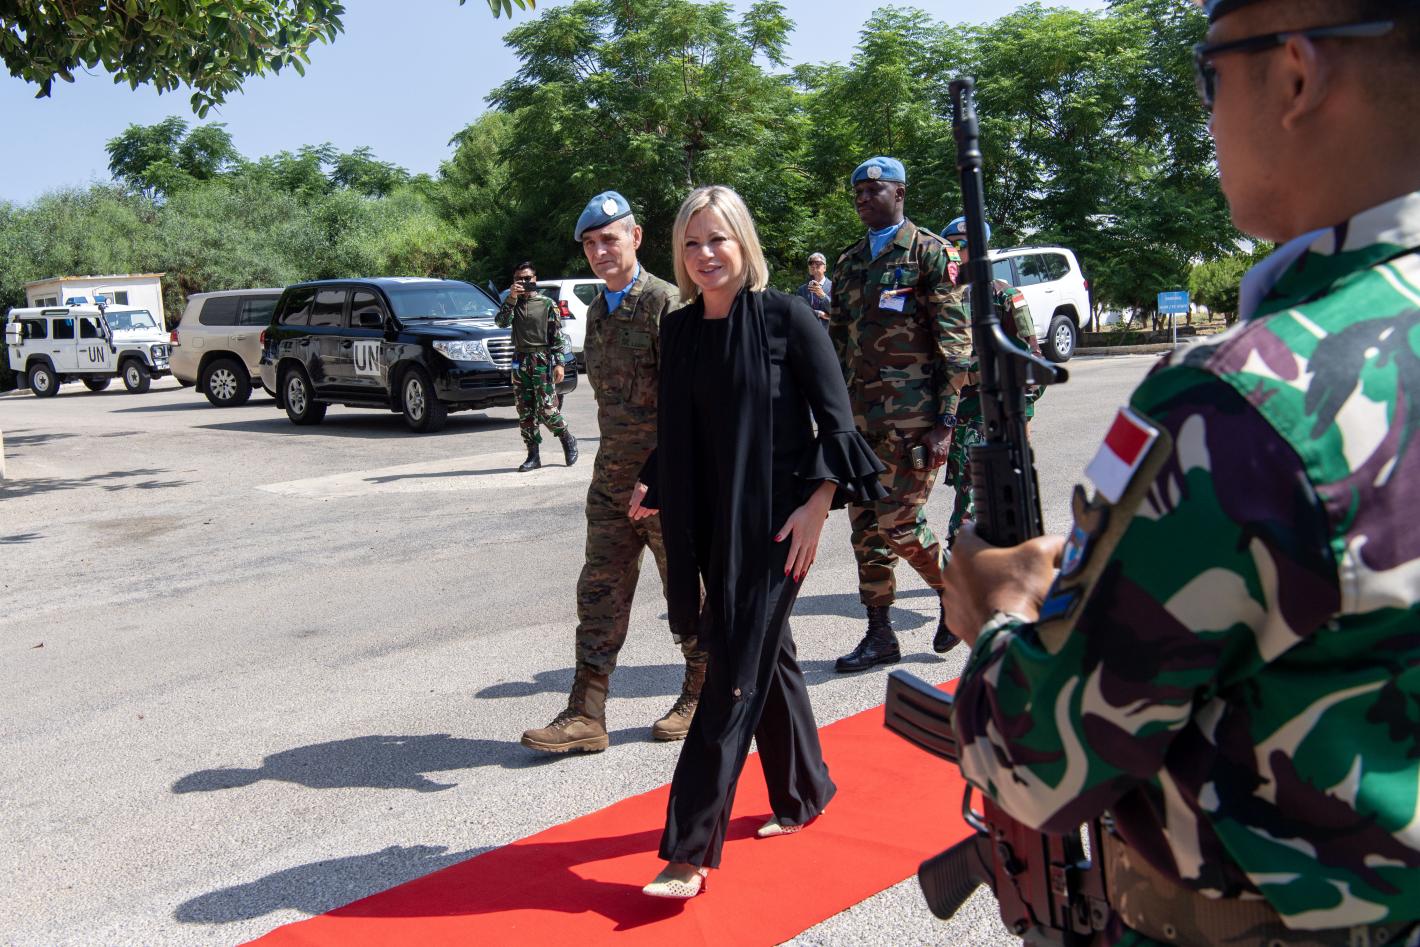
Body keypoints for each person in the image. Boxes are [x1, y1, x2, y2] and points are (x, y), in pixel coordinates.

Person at [943, 0, 1420, 943]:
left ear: (1295, 74)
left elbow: (1036, 759)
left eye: (1210, 76)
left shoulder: (1244, 396)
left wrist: (994, 609)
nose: (1208, 117)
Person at [631, 185, 886, 898]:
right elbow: (685, 426)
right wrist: (655, 478)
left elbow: (838, 424)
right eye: (691, 243)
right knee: (767, 654)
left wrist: (818, 506)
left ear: (744, 241)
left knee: (733, 671)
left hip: (779, 522)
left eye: (717, 238)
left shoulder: (788, 317)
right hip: (712, 523)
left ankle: (687, 850)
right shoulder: (680, 329)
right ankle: (804, 788)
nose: (704, 254)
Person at [520, 192, 709, 754]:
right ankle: (587, 713)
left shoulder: (667, 304)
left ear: (636, 237)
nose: (600, 251)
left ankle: (704, 692)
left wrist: (664, 476)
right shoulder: (598, 310)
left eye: (609, 239)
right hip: (611, 484)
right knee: (598, 592)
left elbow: (692, 405)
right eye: (590, 244)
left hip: (667, 483)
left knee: (688, 594)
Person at [828, 156, 974, 670]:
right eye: (858, 192)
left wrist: (945, 424)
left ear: (900, 193)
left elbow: (955, 348)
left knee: (900, 524)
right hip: (859, 425)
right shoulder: (849, 263)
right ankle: (880, 633)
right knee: (867, 529)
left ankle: (957, 594)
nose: (863, 198)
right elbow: (835, 346)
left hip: (914, 423)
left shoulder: (929, 253)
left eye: (874, 190)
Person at [938, 216, 1042, 545]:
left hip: (992, 408)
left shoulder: (1004, 296)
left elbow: (1029, 361)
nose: (955, 252)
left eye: (961, 245)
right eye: (950, 246)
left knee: (977, 489)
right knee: (966, 485)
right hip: (957, 409)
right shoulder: (944, 297)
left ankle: (960, 556)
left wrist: (1022, 416)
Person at [494, 261, 577, 472]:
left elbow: (556, 336)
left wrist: (559, 363)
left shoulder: (547, 304)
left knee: (547, 408)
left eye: (527, 278)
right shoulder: (513, 303)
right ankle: (533, 455)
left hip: (541, 359)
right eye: (519, 279)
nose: (523, 282)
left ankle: (566, 437)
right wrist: (511, 298)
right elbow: (501, 322)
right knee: (525, 410)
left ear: (535, 279)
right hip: (519, 360)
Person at [795, 251, 833, 325]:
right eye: (811, 264)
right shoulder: (802, 290)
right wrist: (817, 313)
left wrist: (823, 296)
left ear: (825, 268)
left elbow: (838, 311)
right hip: (807, 329)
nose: (814, 266)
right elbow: (798, 312)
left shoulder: (834, 287)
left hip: (827, 330)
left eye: (818, 264)